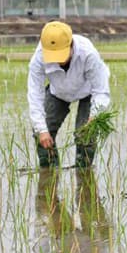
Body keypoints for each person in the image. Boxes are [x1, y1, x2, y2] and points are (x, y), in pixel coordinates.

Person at [27, 21, 111, 168]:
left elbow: (101, 91)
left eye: (61, 55)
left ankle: (84, 173)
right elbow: (35, 93)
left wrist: (94, 116)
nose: (58, 61)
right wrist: (42, 130)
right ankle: (50, 175)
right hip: (58, 91)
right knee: (41, 134)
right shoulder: (39, 57)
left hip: (88, 91)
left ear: (71, 45)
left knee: (85, 135)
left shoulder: (88, 53)